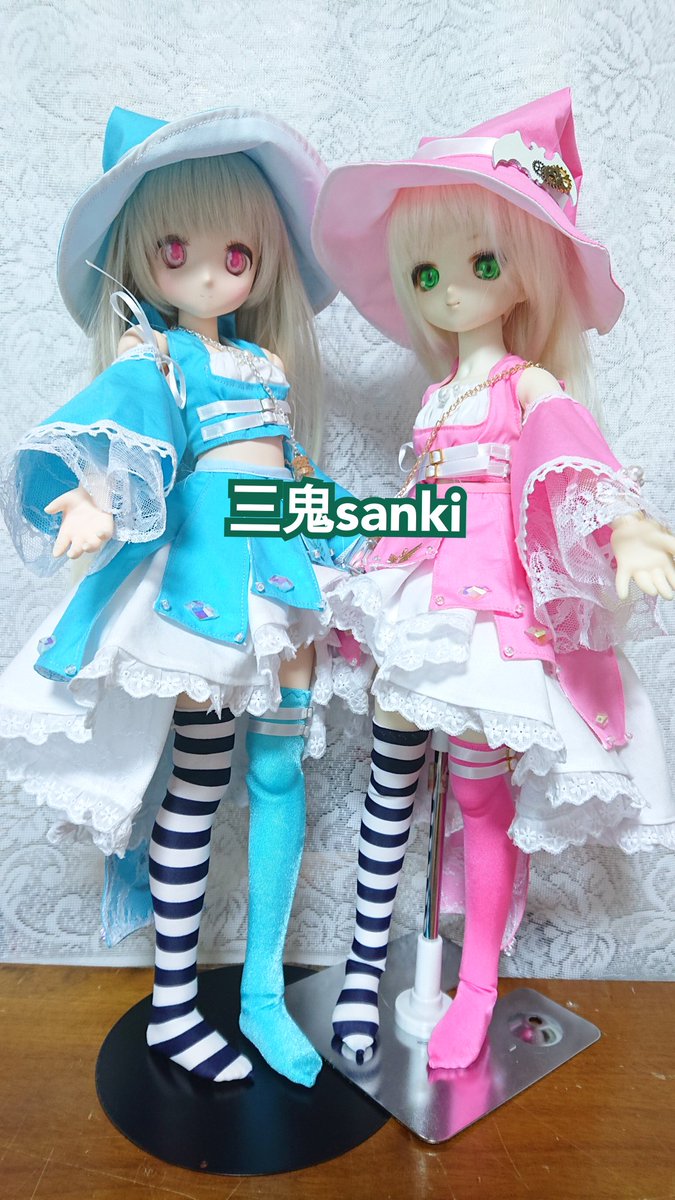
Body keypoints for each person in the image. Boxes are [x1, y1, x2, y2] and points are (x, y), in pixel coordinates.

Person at [311, 89, 675, 1069]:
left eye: (478, 266)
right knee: (388, 785)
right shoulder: (437, 397)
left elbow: (573, 457)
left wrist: (629, 530)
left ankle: (476, 986)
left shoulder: (528, 387)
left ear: (522, 276)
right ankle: (362, 969)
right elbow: (422, 501)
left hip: (486, 617)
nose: (447, 293)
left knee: (478, 801)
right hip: (416, 603)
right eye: (425, 273)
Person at [0, 104, 357, 1087]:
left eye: (235, 254)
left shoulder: (264, 364)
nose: (208, 275)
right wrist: (91, 499)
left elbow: (292, 471)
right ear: (141, 256)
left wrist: (371, 537)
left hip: (282, 583)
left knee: (280, 775)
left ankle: (262, 998)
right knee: (196, 783)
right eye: (177, 250)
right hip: (207, 589)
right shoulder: (158, 357)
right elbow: (127, 426)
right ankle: (171, 1007)